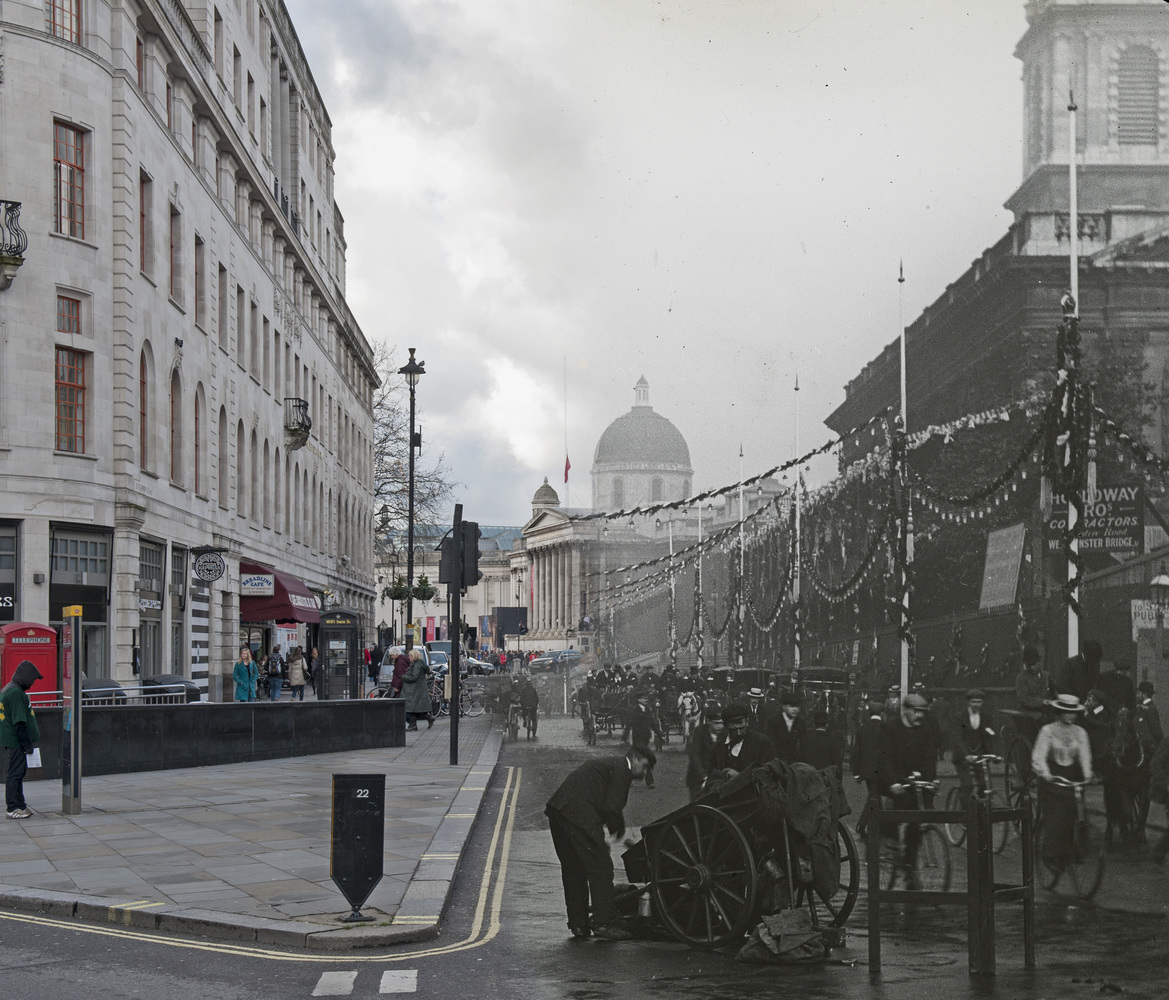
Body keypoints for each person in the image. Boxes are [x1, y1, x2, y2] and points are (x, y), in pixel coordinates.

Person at [545, 746, 656, 940]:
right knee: (601, 867)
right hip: (580, 815)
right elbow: (612, 807)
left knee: (573, 868)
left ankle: (579, 924)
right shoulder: (623, 769)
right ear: (636, 759)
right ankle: (604, 923)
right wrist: (618, 830)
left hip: (559, 811)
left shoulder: (610, 764)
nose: (645, 773)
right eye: (645, 767)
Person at [1031, 693, 1093, 875]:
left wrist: (1088, 774)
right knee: (1057, 817)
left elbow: (1084, 755)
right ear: (1059, 712)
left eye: (1073, 712)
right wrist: (1046, 773)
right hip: (1053, 778)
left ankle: (1075, 850)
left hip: (1072, 776)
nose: (1071, 715)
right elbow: (1038, 756)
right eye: (1066, 712)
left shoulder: (1080, 732)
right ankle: (1050, 855)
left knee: (1079, 812)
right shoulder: (1048, 731)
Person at [878, 693, 937, 882]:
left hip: (916, 782)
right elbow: (885, 757)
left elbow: (929, 757)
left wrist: (932, 780)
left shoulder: (925, 730)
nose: (920, 716)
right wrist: (893, 782)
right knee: (899, 807)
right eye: (916, 712)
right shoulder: (890, 728)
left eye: (922, 712)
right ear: (906, 711)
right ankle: (890, 840)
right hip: (896, 780)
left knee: (920, 817)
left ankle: (910, 865)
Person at [1, 660, 42, 819]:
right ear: (25, 677)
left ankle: (20, 805)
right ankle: (13, 808)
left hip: (10, 739)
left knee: (17, 772)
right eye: (32, 679)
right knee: (14, 774)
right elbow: (19, 722)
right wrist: (27, 745)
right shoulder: (16, 693)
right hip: (16, 741)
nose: (32, 683)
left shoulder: (9, 688)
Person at [952, 689, 997, 799]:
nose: (976, 704)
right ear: (968, 702)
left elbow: (990, 736)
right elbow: (958, 738)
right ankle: (964, 813)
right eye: (974, 702)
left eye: (979, 702)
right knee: (967, 785)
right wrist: (966, 755)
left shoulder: (987, 717)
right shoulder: (959, 717)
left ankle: (981, 812)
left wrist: (994, 754)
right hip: (963, 757)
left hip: (979, 755)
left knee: (984, 785)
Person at [851, 694, 886, 839]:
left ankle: (882, 825)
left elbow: (856, 751)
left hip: (866, 770)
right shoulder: (885, 728)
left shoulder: (862, 729)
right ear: (882, 713)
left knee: (874, 796)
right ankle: (862, 825)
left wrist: (857, 773)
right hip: (881, 769)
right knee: (874, 796)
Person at [712, 702, 776, 775]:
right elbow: (713, 777)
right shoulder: (718, 747)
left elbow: (770, 773)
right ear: (725, 726)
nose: (738, 733)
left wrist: (740, 777)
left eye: (742, 728)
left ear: (747, 722)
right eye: (733, 730)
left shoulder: (762, 742)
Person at [685, 701, 725, 800]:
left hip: (716, 778)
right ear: (708, 722)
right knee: (696, 804)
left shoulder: (725, 733)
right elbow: (694, 755)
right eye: (716, 723)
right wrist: (704, 777)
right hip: (698, 776)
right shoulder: (699, 731)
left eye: (722, 723)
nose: (720, 726)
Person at [628, 691, 663, 787]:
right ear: (639, 700)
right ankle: (650, 781)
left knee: (636, 759)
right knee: (645, 758)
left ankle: (630, 778)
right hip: (637, 738)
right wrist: (625, 735)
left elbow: (652, 722)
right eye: (643, 698)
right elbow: (629, 723)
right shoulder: (634, 710)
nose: (645, 700)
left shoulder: (647, 709)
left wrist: (659, 733)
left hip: (645, 738)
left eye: (646, 698)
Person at [768, 691, 806, 764]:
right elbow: (771, 745)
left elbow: (803, 747)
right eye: (792, 706)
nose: (795, 709)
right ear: (784, 707)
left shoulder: (801, 723)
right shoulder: (774, 721)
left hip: (795, 764)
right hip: (777, 763)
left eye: (797, 706)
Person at [401, 649, 433, 731]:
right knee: (413, 708)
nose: (409, 657)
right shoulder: (418, 663)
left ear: (414, 656)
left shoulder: (417, 665)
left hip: (415, 689)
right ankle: (414, 724)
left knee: (412, 708)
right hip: (417, 689)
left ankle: (415, 724)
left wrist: (404, 677)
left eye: (410, 655)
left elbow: (414, 677)